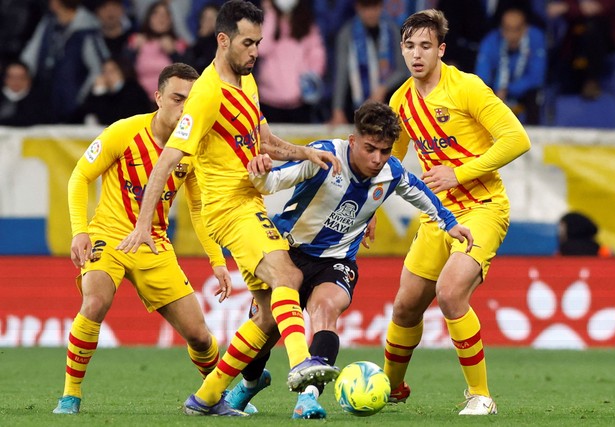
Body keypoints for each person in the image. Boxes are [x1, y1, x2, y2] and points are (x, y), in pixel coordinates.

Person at [116, 0, 341, 417]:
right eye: (247, 43)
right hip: (229, 208)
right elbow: (167, 160)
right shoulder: (205, 95)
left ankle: (205, 397)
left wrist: (307, 153)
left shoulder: (246, 81)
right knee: (288, 274)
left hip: (249, 200)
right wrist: (144, 224)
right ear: (223, 40)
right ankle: (302, 369)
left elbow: (266, 142)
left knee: (270, 315)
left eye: (258, 42)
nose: (255, 51)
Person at [223, 100, 474, 419]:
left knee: (326, 310)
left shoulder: (390, 173)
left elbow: (422, 194)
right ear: (354, 141)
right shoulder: (323, 156)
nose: (377, 159)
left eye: (385, 151)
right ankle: (250, 383)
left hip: (336, 261)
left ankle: (309, 398)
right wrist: (259, 173)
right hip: (287, 252)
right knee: (264, 329)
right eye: (370, 148)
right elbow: (273, 182)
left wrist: (450, 224)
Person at [52, 63, 232, 415]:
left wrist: (217, 260)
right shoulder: (124, 131)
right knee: (95, 303)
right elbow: (79, 177)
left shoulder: (191, 148)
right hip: (110, 237)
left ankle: (216, 395)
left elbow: (198, 208)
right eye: (177, 98)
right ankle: (70, 395)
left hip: (155, 245)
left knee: (199, 334)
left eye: (190, 100)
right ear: (159, 97)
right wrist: (80, 231)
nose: (184, 108)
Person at [381, 9, 531, 415]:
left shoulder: (467, 87)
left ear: (441, 49)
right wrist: (366, 214)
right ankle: (390, 388)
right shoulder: (401, 101)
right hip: (439, 216)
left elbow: (517, 139)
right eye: (410, 45)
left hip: (483, 208)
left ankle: (481, 396)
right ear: (401, 48)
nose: (417, 54)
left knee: (449, 293)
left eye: (426, 46)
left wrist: (459, 173)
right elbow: (388, 166)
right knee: (405, 306)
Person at [20, 0, 110, 124]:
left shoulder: (87, 30)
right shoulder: (48, 23)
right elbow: (30, 56)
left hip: (74, 104)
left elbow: (98, 68)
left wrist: (81, 97)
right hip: (45, 97)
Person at [329, 0, 407, 125]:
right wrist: (337, 109)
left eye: (374, 7)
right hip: (357, 106)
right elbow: (341, 74)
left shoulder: (393, 30)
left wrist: (383, 88)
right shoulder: (347, 34)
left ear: (381, 6)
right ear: (358, 8)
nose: (370, 13)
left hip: (391, 104)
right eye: (366, 8)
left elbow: (403, 70)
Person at [255, 0, 326, 123]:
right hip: (269, 101)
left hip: (299, 103)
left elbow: (317, 54)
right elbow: (261, 48)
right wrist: (271, 13)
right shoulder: (266, 21)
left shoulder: (307, 24)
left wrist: (310, 80)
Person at [475, 7, 546, 125]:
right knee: (480, 94)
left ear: (525, 28)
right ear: (501, 29)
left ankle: (533, 136)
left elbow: (536, 77)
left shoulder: (536, 38)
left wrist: (509, 89)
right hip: (496, 90)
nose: (512, 35)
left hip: (524, 90)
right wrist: (494, 93)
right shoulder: (490, 41)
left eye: (516, 29)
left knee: (536, 94)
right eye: (507, 29)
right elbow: (482, 75)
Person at [125, 0, 189, 102]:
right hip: (140, 100)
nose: (161, 18)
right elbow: (122, 71)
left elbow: (189, 75)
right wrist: (133, 52)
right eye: (156, 14)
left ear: (171, 20)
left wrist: (173, 53)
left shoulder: (179, 44)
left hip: (170, 101)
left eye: (165, 15)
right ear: (149, 18)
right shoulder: (136, 41)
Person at [75, 57, 152, 125]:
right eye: (104, 71)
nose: (107, 75)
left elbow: (111, 119)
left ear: (123, 71)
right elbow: (82, 114)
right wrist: (98, 92)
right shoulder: (106, 92)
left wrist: (101, 94)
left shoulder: (133, 92)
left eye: (112, 71)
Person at [0, 60, 42, 127]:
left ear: (29, 80)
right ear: (5, 79)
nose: (16, 81)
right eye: (12, 77)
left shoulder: (40, 101)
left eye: (21, 78)